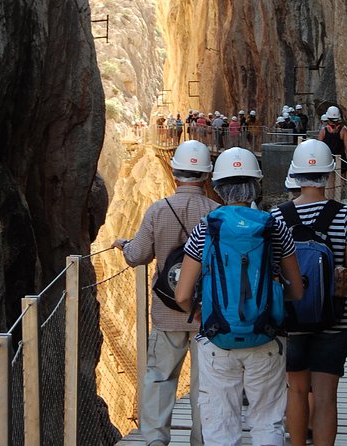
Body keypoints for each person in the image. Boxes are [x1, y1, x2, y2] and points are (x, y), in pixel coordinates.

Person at [175, 147, 304, 446]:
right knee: (267, 421)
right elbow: (296, 290)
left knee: (220, 424)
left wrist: (201, 312)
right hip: (267, 336)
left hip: (217, 334)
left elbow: (182, 293)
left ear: (217, 186)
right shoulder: (276, 227)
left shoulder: (205, 228)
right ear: (255, 184)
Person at [111, 140, 219, 446]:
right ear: (206, 176)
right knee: (205, 385)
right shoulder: (217, 214)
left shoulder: (158, 211)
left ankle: (156, 440)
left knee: (159, 378)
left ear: (175, 174)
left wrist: (123, 245)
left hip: (166, 310)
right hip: (205, 313)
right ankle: (202, 440)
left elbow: (137, 256)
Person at [270, 139, 347, 446]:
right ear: (329, 175)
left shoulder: (276, 217)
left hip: (290, 319)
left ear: (296, 176)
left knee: (297, 391)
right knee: (326, 397)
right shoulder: (344, 216)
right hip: (336, 318)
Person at [318, 106, 347, 199]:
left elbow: (319, 146)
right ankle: (339, 200)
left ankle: (329, 201)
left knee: (329, 184)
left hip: (327, 160)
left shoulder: (323, 131)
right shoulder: (343, 130)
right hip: (341, 159)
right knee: (341, 183)